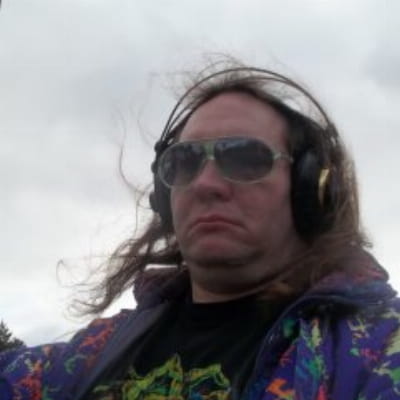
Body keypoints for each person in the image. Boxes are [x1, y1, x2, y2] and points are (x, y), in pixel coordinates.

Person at [1, 63, 400, 400]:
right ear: (164, 196)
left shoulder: (379, 350)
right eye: (184, 162)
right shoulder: (91, 353)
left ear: (312, 188)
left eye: (245, 158)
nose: (205, 183)